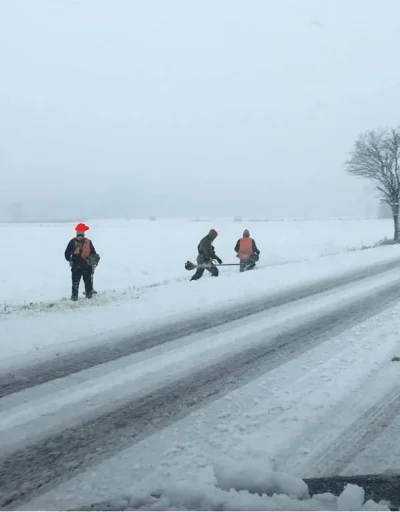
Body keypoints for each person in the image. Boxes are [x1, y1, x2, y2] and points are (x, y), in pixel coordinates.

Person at [64, 223, 99, 301]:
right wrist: (92, 261)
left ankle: (74, 298)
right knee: (88, 283)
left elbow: (66, 254)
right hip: (87, 266)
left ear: (76, 233)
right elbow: (93, 253)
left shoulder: (72, 242)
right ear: (84, 233)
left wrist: (71, 258)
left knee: (75, 283)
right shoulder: (88, 242)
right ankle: (89, 297)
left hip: (76, 267)